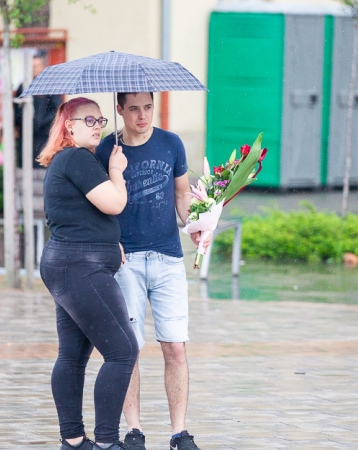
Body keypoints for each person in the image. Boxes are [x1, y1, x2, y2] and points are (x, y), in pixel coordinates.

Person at [95, 93, 208, 450]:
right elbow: (98, 205)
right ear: (120, 109)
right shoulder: (104, 152)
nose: (142, 115)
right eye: (133, 109)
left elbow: (180, 195)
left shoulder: (171, 143)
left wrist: (197, 222)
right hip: (125, 262)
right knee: (129, 348)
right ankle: (134, 431)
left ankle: (179, 433)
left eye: (147, 107)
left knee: (175, 347)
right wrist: (109, 240)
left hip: (168, 259)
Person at [38, 97, 138, 450]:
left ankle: (75, 441)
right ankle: (108, 443)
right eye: (89, 120)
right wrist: (117, 173)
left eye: (100, 119)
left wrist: (111, 242)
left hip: (68, 263)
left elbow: (79, 217)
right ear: (69, 126)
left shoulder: (70, 160)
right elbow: (114, 203)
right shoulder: (78, 158)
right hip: (79, 266)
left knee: (73, 356)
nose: (98, 125)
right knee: (123, 351)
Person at [14, 52, 62, 168]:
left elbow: (57, 110)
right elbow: (16, 111)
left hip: (44, 136)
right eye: (32, 66)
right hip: (26, 136)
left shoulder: (50, 86)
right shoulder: (24, 86)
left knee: (42, 165)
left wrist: (42, 123)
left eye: (37, 66)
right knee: (25, 165)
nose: (34, 69)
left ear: (43, 67)